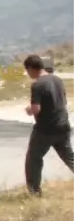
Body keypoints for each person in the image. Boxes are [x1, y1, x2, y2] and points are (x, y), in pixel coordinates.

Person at [22, 54, 74, 195]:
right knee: (70, 157)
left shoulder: (37, 84)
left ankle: (34, 192)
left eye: (27, 71)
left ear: (32, 68)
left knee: (33, 159)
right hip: (63, 125)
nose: (28, 74)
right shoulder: (57, 79)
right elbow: (63, 101)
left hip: (45, 129)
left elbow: (36, 109)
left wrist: (29, 110)